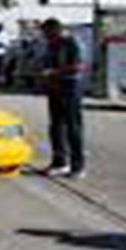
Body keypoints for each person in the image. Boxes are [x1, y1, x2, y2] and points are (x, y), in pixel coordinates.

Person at [40, 18, 86, 178]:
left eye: (47, 34)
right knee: (56, 126)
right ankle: (60, 162)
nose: (46, 37)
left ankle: (78, 166)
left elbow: (78, 66)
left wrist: (55, 72)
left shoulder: (72, 42)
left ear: (56, 30)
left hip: (70, 87)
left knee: (73, 127)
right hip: (55, 87)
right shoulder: (52, 44)